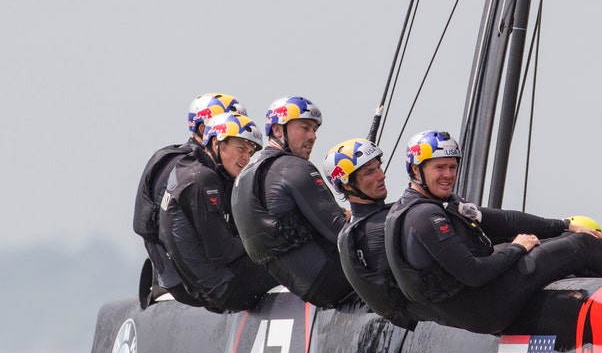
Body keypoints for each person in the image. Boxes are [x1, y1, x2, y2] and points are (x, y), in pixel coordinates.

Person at [384, 130, 602, 334]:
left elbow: (504, 220)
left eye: (452, 167)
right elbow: (474, 273)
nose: (448, 174)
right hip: (485, 309)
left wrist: (563, 224)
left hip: (480, 299)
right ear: (416, 170)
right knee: (581, 246)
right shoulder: (425, 216)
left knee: (568, 238)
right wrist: (518, 248)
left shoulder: (438, 204)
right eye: (439, 168)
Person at [230, 96, 353, 307]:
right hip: (336, 279)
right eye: (305, 127)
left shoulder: (244, 176)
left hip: (307, 290)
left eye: (315, 130)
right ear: (278, 130)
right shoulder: (294, 168)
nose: (313, 136)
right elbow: (341, 234)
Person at [132, 93, 247, 308]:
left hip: (180, 277)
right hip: (188, 282)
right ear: (205, 130)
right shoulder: (192, 171)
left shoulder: (201, 166)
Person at [159, 112, 279, 313]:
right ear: (216, 143)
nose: (246, 158)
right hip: (225, 291)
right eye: (241, 148)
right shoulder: (203, 180)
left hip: (202, 287)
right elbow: (222, 251)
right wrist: (266, 241)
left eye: (250, 153)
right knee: (293, 260)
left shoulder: (186, 167)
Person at [324, 138, 432, 329]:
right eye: (369, 172)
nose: (381, 176)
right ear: (348, 185)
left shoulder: (354, 228)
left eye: (378, 167)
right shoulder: (379, 226)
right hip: (429, 317)